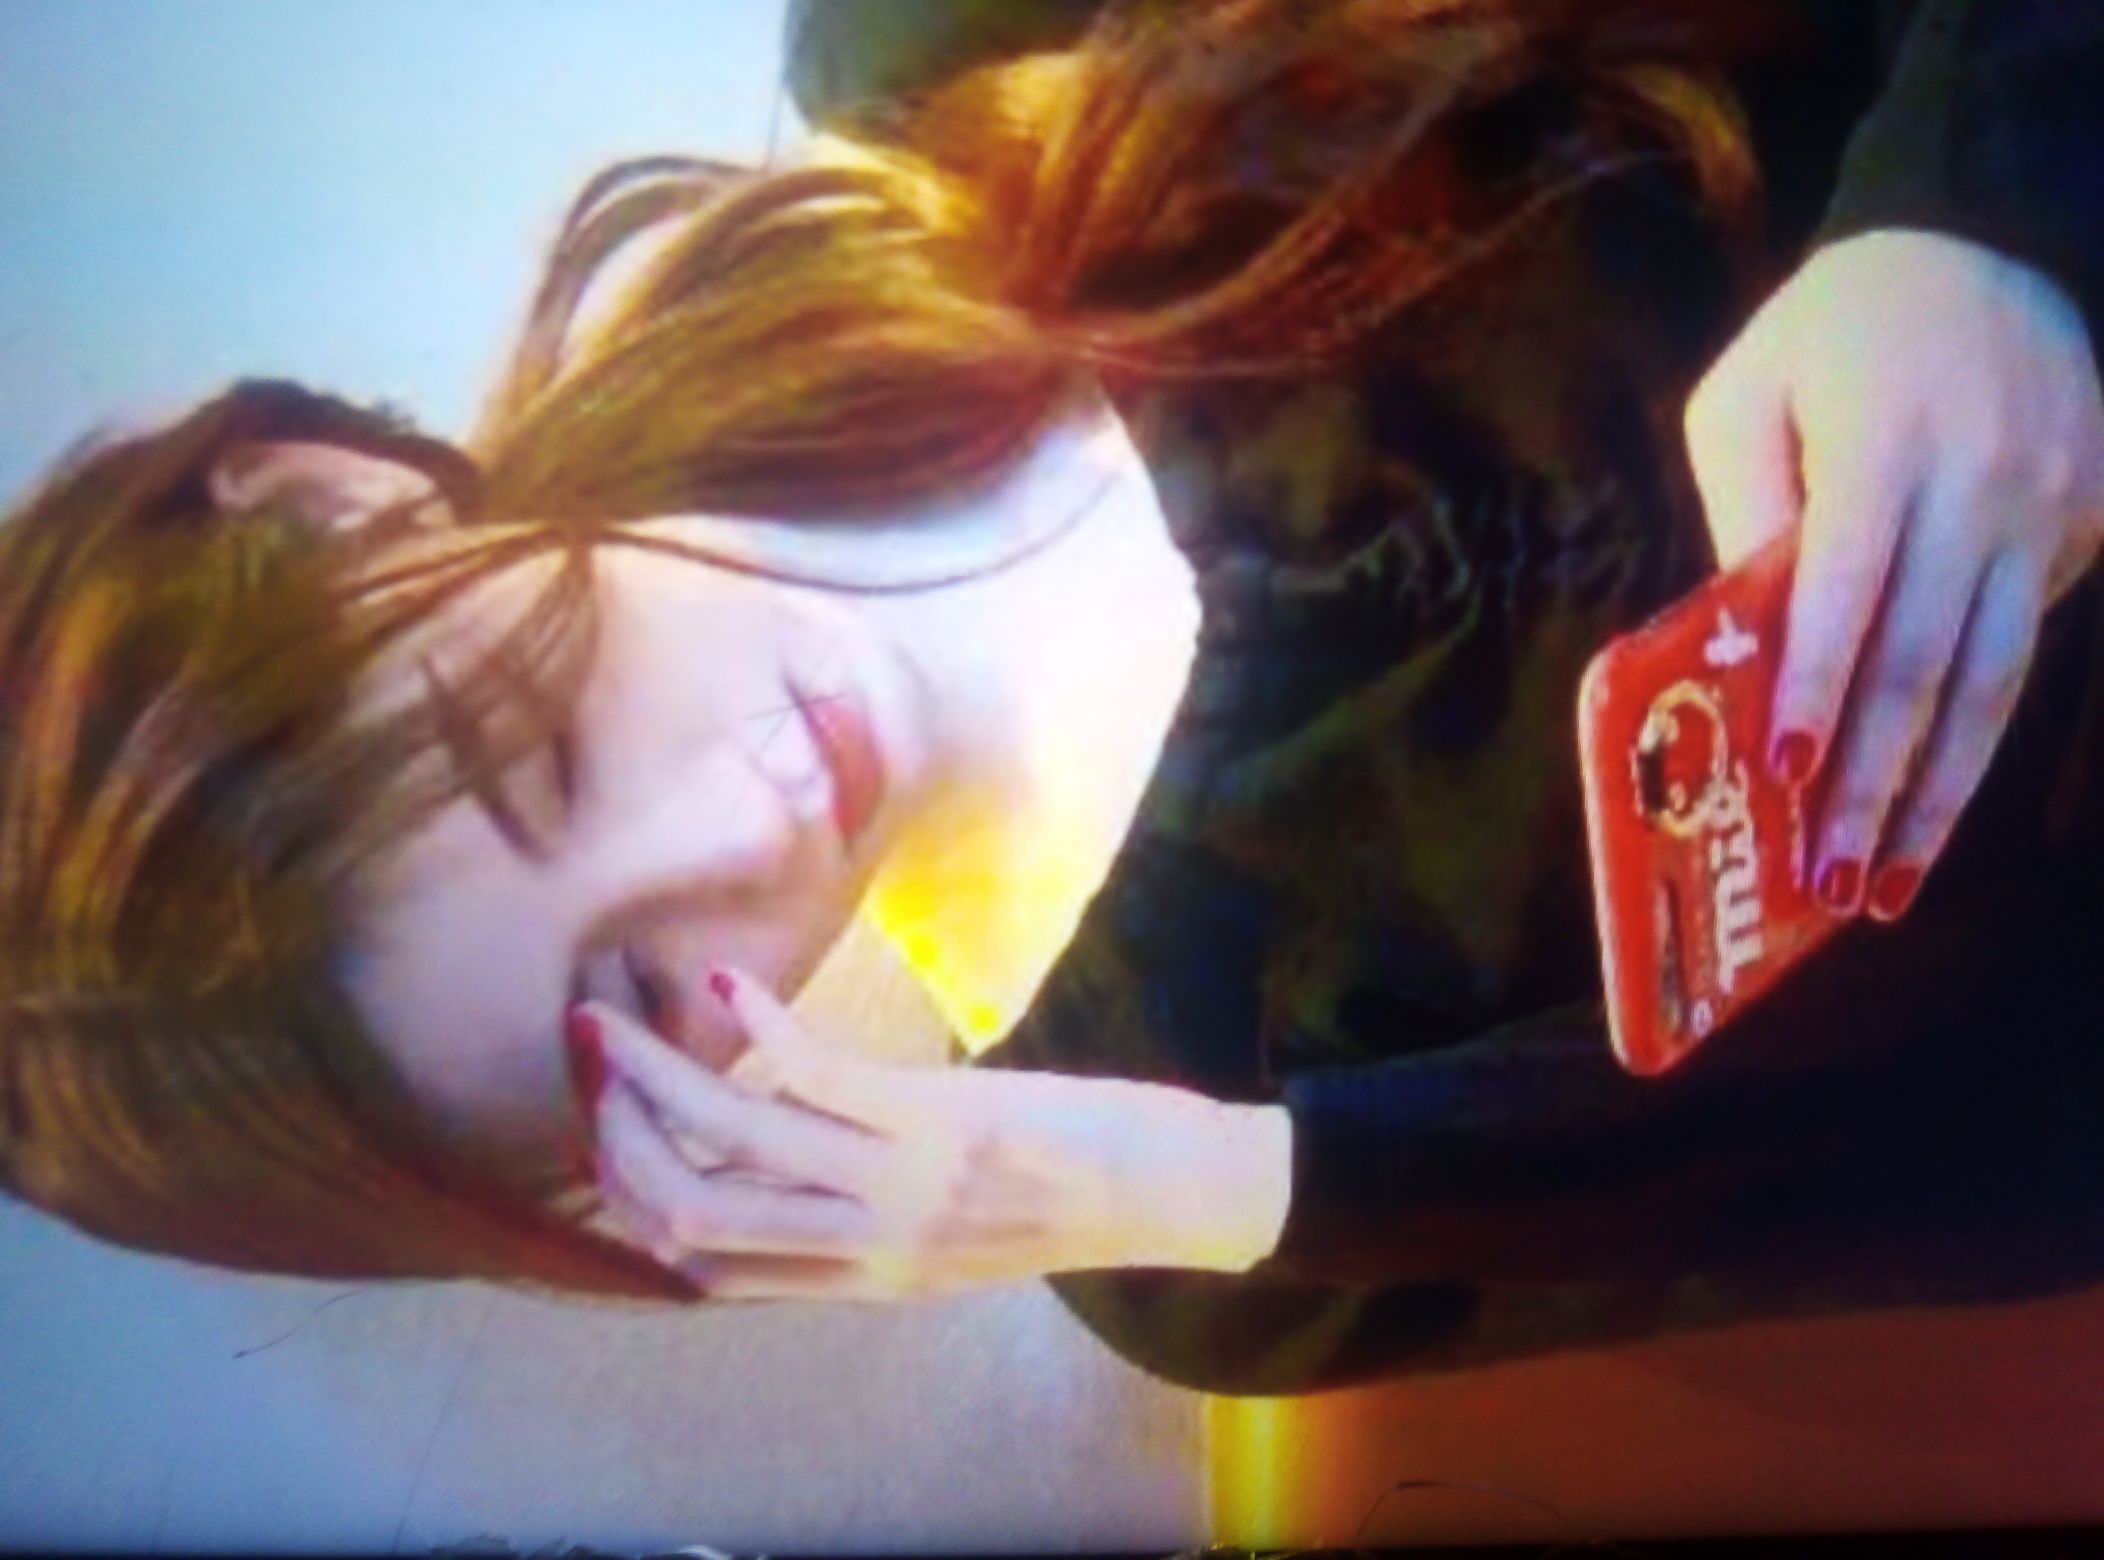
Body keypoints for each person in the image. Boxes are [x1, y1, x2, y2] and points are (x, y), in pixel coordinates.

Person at [2, 0, 2100, 1396]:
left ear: (339, 499)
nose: (751, 816)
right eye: (631, 995)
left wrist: (1983, 211)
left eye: (542, 748)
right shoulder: (1167, 1188)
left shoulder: (956, 42)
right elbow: (2027, 1142)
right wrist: (1266, 1183)